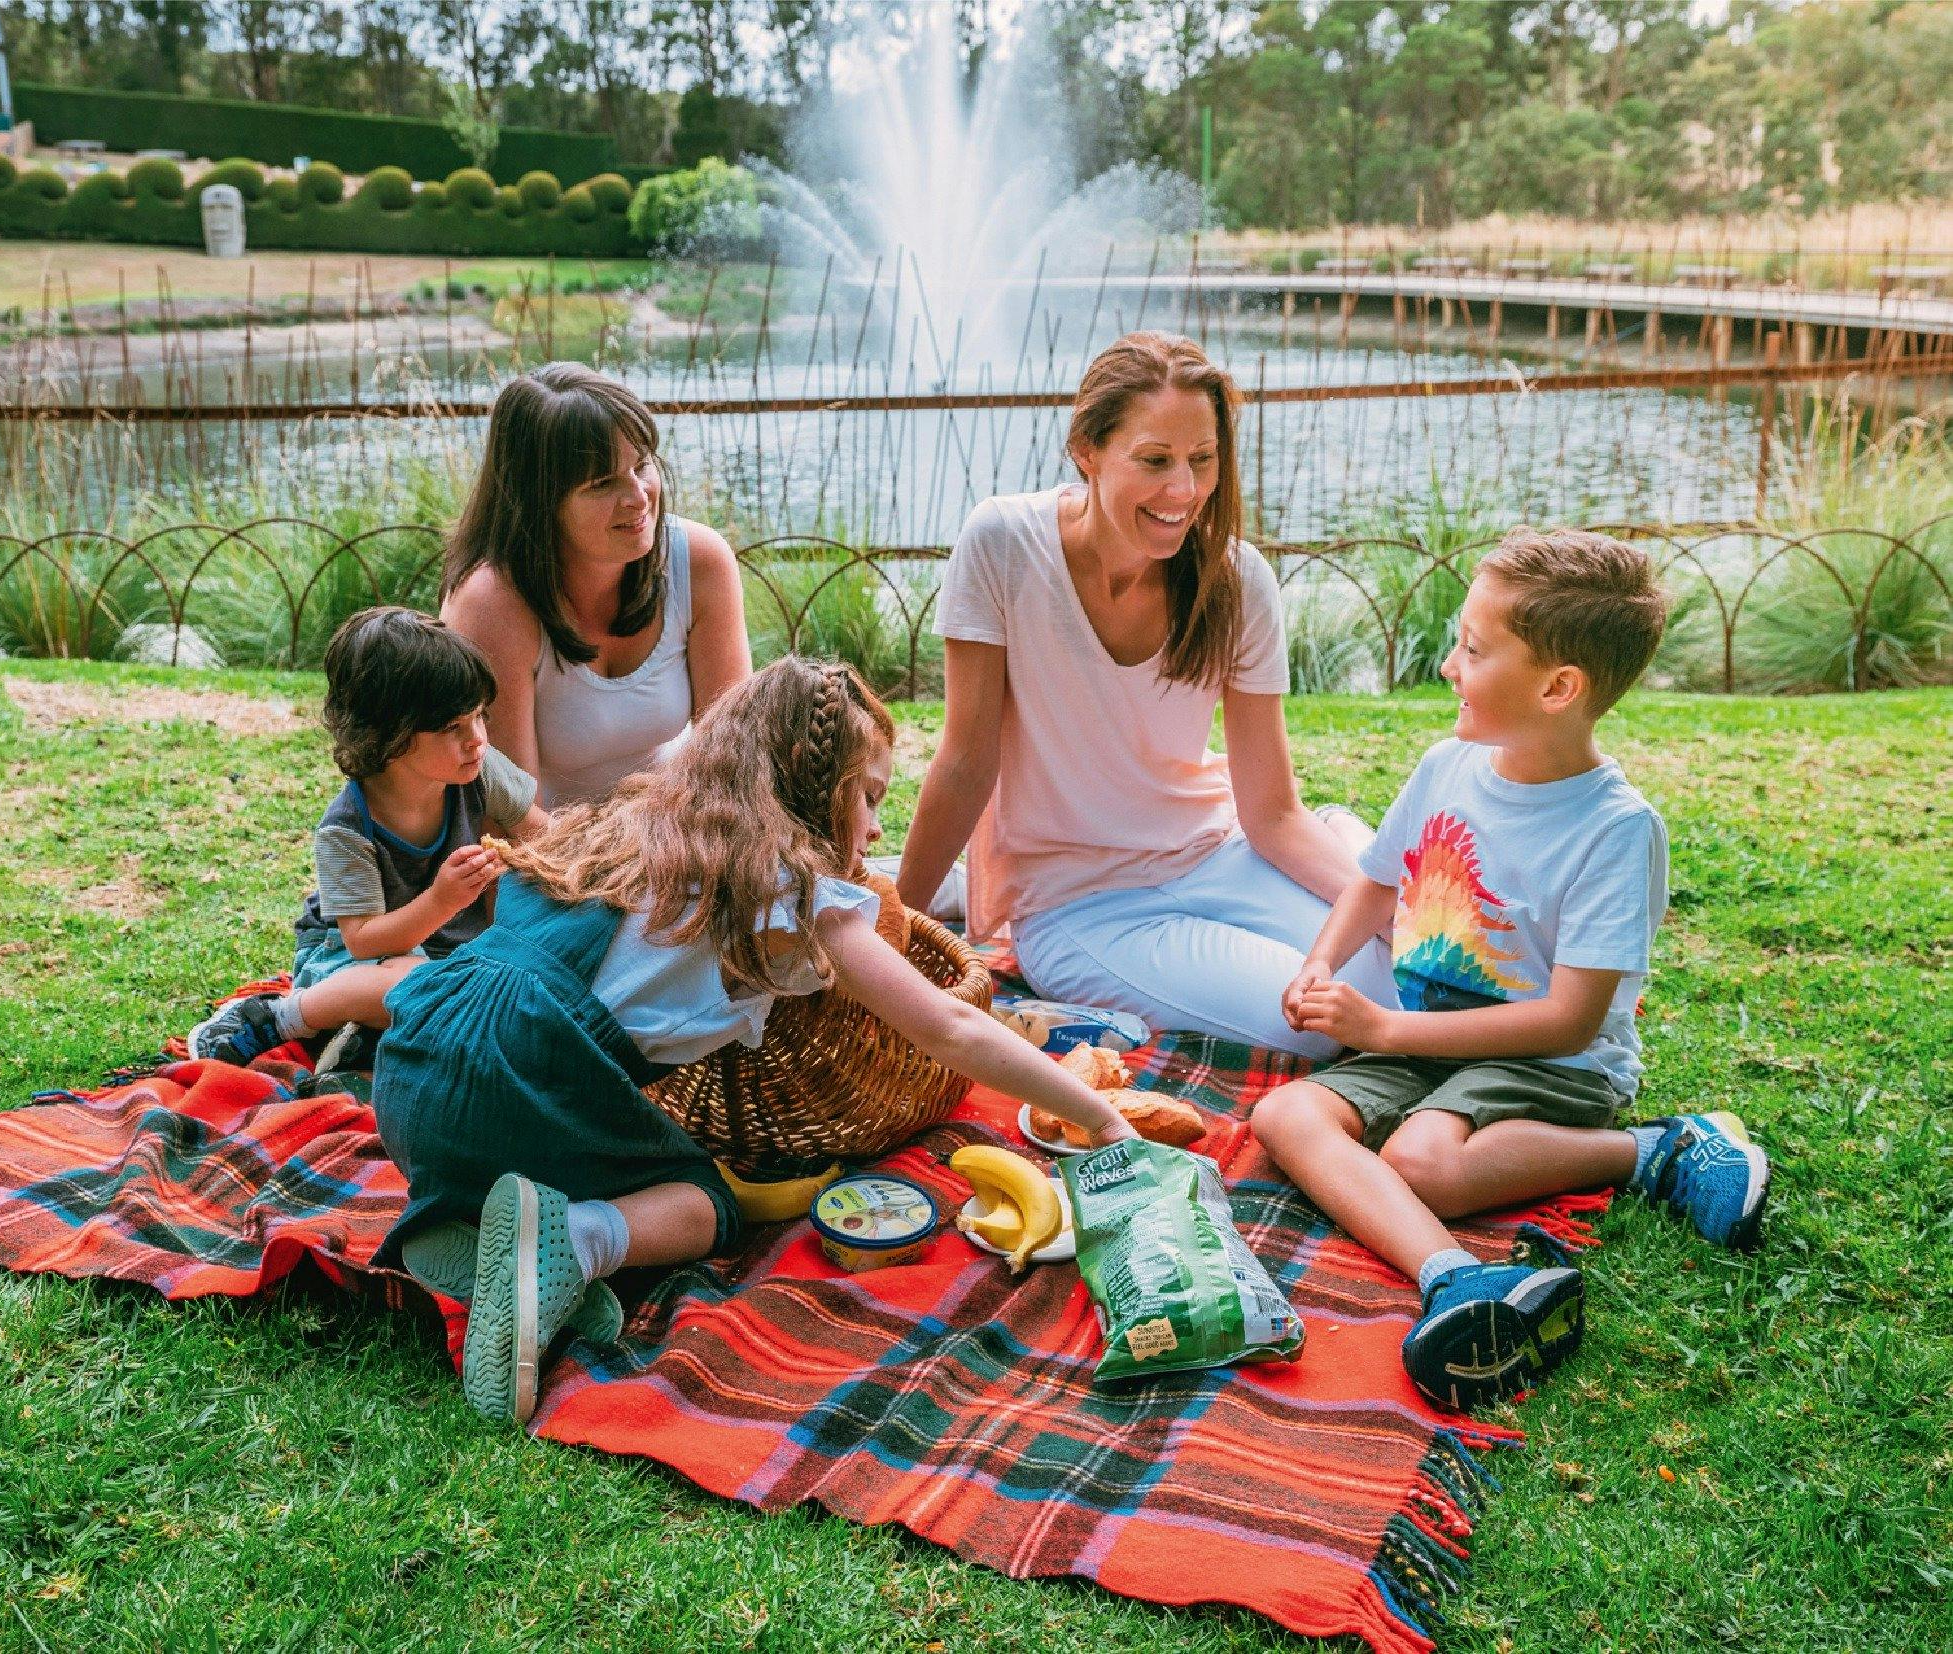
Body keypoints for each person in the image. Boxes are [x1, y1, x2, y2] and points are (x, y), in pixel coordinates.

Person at [369, 657, 1138, 1426]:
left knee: (526, 1139)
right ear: (813, 786)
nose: (873, 830)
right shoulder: (789, 890)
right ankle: (575, 1241)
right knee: (707, 1202)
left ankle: (460, 1223)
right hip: (518, 1081)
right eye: (865, 798)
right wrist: (1100, 1119)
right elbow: (949, 1024)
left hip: (412, 1066)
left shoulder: (624, 824)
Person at [1250, 529, 1770, 1411]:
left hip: (1549, 1062)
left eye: (1474, 649)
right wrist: (1320, 960)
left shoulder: (1614, 827)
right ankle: (1456, 1280)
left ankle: (1652, 1151)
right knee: (1285, 1113)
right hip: (1430, 1046)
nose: (1450, 665)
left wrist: (1381, 1029)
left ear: (1556, 688)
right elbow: (1374, 883)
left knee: (1420, 1160)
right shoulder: (1444, 766)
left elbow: (1569, 1020)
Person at [894, 330, 1391, 1054]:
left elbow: (1271, 810)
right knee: (1317, 1026)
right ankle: (1348, 844)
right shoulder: (1002, 543)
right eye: (1154, 461)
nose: (1183, 492)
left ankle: (1345, 844)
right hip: (1080, 906)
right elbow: (966, 763)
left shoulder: (1238, 580)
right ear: (1086, 451)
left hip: (1215, 853)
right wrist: (895, 930)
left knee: (1389, 984)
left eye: (1202, 461)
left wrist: (1383, 908)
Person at [187, 606, 547, 1067]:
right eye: (452, 727)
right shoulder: (348, 829)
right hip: (352, 961)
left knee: (471, 990)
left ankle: (363, 1041)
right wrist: (443, 900)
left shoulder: (482, 770)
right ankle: (278, 1018)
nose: (477, 738)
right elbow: (363, 940)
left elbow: (547, 837)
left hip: (446, 955)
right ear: (389, 734)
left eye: (480, 717)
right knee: (417, 986)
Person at [439, 362, 752, 809]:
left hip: (677, 833)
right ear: (539, 502)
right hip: (548, 855)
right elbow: (509, 815)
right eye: (603, 484)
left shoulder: (700, 561)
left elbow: (735, 759)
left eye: (642, 465)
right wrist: (609, 863)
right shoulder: (489, 605)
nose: (639, 497)